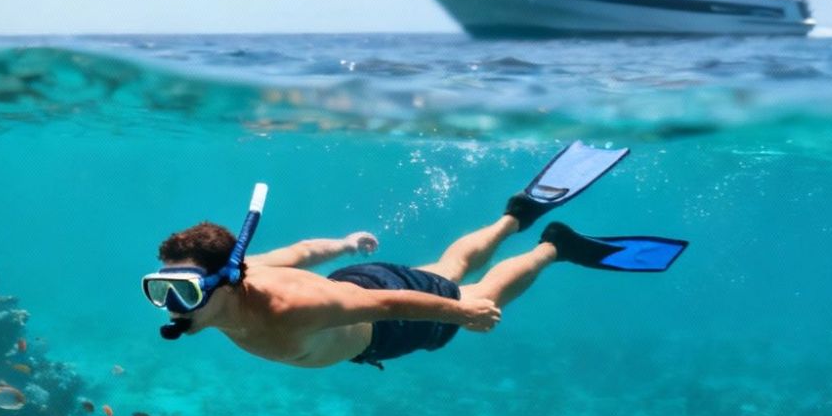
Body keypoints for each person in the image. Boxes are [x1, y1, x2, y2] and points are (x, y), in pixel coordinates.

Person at [141, 143, 687, 369]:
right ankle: (513, 216)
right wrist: (348, 245)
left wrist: (460, 314)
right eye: (161, 289)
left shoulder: (288, 309)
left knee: (475, 292)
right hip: (356, 283)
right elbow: (307, 251)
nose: (170, 305)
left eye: (183, 293)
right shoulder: (244, 268)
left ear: (225, 284)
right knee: (447, 268)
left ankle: (552, 248)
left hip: (384, 319)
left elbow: (385, 306)